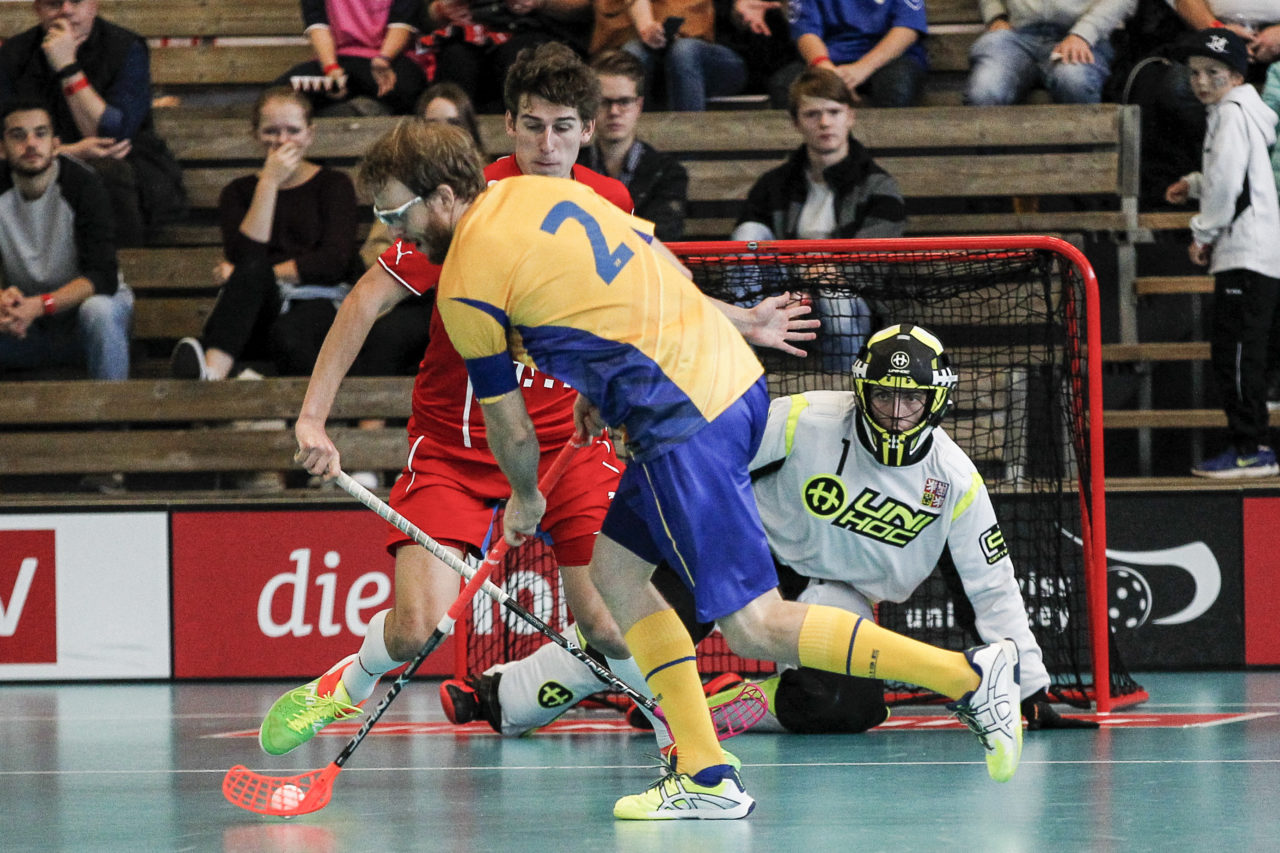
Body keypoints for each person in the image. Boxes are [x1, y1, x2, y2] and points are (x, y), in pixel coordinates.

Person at [381, 121, 1023, 819]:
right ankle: (706, 771)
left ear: (443, 196)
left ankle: (966, 677)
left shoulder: (465, 283)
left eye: (397, 215)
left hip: (681, 414)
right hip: (729, 376)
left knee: (754, 625)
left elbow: (507, 426)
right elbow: (658, 270)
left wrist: (527, 497)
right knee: (618, 572)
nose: (394, 235)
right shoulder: (543, 194)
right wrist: (604, 390)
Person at [256, 42, 815, 760]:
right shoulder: (461, 204)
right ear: (509, 127)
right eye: (530, 125)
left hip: (564, 446)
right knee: (415, 627)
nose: (545, 144)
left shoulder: (606, 198)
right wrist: (311, 415)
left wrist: (741, 320)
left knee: (614, 621)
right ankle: (348, 680)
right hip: (460, 446)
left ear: (588, 130)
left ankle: (684, 740)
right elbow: (364, 302)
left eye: (561, 127)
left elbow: (651, 296)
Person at [445, 325, 1097, 738]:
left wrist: (1030, 688)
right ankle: (501, 696)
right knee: (629, 632)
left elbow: (994, 587)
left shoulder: (955, 480)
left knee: (847, 708)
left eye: (912, 400)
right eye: (884, 396)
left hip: (837, 587)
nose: (897, 414)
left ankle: (744, 697)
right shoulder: (804, 419)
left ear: (936, 402)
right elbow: (711, 452)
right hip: (741, 544)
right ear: (861, 390)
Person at [169, 87, 363, 383]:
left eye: (293, 130)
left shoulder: (334, 185)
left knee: (288, 333)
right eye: (271, 131)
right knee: (251, 274)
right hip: (257, 309)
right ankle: (212, 374)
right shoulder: (238, 193)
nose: (282, 140)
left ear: (310, 134)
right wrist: (269, 182)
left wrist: (257, 275)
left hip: (319, 304)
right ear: (256, 135)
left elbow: (333, 261)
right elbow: (244, 256)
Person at [732, 67, 906, 369]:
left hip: (849, 303)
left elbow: (871, 264)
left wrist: (811, 284)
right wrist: (794, 290)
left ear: (850, 116)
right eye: (812, 114)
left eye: (834, 111)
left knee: (833, 293)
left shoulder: (879, 186)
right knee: (749, 232)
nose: (824, 122)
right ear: (796, 122)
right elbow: (746, 258)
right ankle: (744, 369)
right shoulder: (773, 185)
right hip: (784, 298)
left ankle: (843, 386)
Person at [1163, 29, 1280, 478]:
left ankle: (1250, 450)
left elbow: (1231, 185)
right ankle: (1251, 444)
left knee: (1234, 356)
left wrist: (1203, 233)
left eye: (1213, 72)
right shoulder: (1240, 112)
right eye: (1195, 73)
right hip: (1254, 253)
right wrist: (1195, 184)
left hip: (1246, 253)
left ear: (1235, 76)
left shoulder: (1232, 114)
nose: (1201, 81)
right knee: (1239, 354)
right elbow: (1236, 174)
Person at [0, 0, 188, 246]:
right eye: (53, 3)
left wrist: (68, 67)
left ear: (95, 4)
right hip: (32, 158)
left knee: (106, 172)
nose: (66, 10)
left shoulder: (126, 47)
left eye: (77, 1)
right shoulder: (13, 55)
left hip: (125, 165)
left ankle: (117, 278)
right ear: (37, 9)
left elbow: (110, 135)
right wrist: (67, 153)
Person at [0, 100, 129, 380]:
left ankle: (112, 420)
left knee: (99, 311)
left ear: (56, 144)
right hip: (26, 324)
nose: (30, 143)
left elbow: (102, 277)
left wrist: (40, 305)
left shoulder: (84, 185)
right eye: (18, 135)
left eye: (40, 133)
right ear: (2, 148)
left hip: (83, 320)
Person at [579, 50, 688, 242]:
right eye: (604, 102)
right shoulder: (568, 168)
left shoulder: (669, 173)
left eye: (624, 102)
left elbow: (664, 235)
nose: (614, 111)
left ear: (639, 105)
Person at [417, 0, 593, 114]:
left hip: (538, 31)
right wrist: (440, 9)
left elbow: (586, 8)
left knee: (521, 58)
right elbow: (426, 14)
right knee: (455, 59)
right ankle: (448, 144)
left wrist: (542, 3)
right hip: (475, 32)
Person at [965, 0, 1137, 105]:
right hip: (1018, 37)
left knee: (1073, 81)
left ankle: (1082, 164)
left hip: (1082, 38)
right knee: (984, 91)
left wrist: (1083, 34)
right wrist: (996, 16)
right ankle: (994, 166)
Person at [276, 0, 427, 117]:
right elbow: (318, 26)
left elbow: (402, 26)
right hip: (338, 62)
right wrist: (331, 68)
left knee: (406, 90)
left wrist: (384, 58)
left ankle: (354, 106)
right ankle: (350, 105)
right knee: (280, 91)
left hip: (389, 61)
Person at [591, 0, 749, 111]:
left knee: (684, 51)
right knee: (633, 54)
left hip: (711, 58)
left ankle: (688, 151)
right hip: (636, 53)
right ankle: (635, 153)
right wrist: (646, 27)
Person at [773, 0, 928, 108]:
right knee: (784, 84)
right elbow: (805, 31)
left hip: (888, 60)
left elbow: (908, 28)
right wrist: (824, 67)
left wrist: (862, 68)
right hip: (827, 61)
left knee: (896, 86)